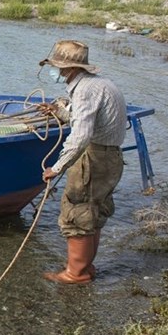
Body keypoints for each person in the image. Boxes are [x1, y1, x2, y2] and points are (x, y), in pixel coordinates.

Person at [37, 40, 127, 284]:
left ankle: (74, 274)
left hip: (93, 157)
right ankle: (87, 268)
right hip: (111, 156)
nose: (55, 72)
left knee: (77, 212)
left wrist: (57, 168)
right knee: (93, 212)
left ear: (71, 69)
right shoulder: (100, 84)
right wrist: (59, 112)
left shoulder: (85, 90)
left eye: (57, 67)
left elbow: (81, 136)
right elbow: (86, 120)